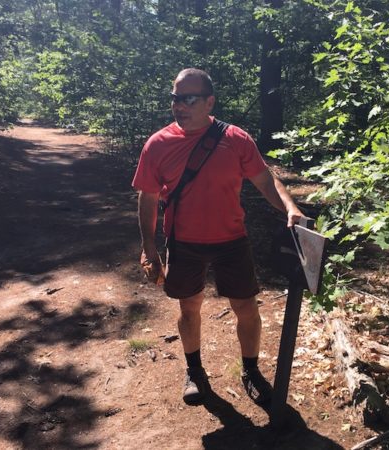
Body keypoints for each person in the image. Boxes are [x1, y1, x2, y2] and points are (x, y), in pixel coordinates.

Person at [132, 68, 304, 406]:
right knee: (189, 306)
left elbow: (264, 180)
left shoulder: (235, 139)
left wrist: (290, 207)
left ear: (209, 102)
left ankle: (251, 370)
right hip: (183, 241)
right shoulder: (158, 144)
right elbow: (148, 197)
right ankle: (194, 371)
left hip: (231, 239)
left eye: (188, 99)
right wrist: (149, 246)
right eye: (175, 98)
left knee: (245, 306)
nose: (178, 105)